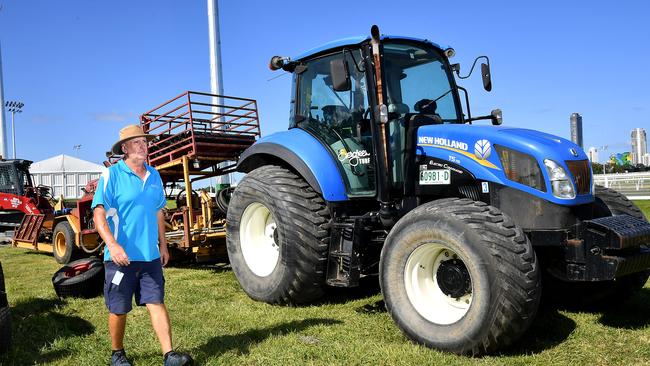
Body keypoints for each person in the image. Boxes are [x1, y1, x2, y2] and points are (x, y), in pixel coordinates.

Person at [92, 124, 193, 366]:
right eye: (137, 142)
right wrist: (113, 246)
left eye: (144, 142)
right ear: (125, 148)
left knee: (156, 301)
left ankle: (169, 355)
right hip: (120, 257)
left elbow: (159, 212)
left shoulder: (154, 175)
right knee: (119, 307)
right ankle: (117, 354)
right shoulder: (111, 175)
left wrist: (164, 245)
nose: (143, 146)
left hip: (149, 256)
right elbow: (98, 215)